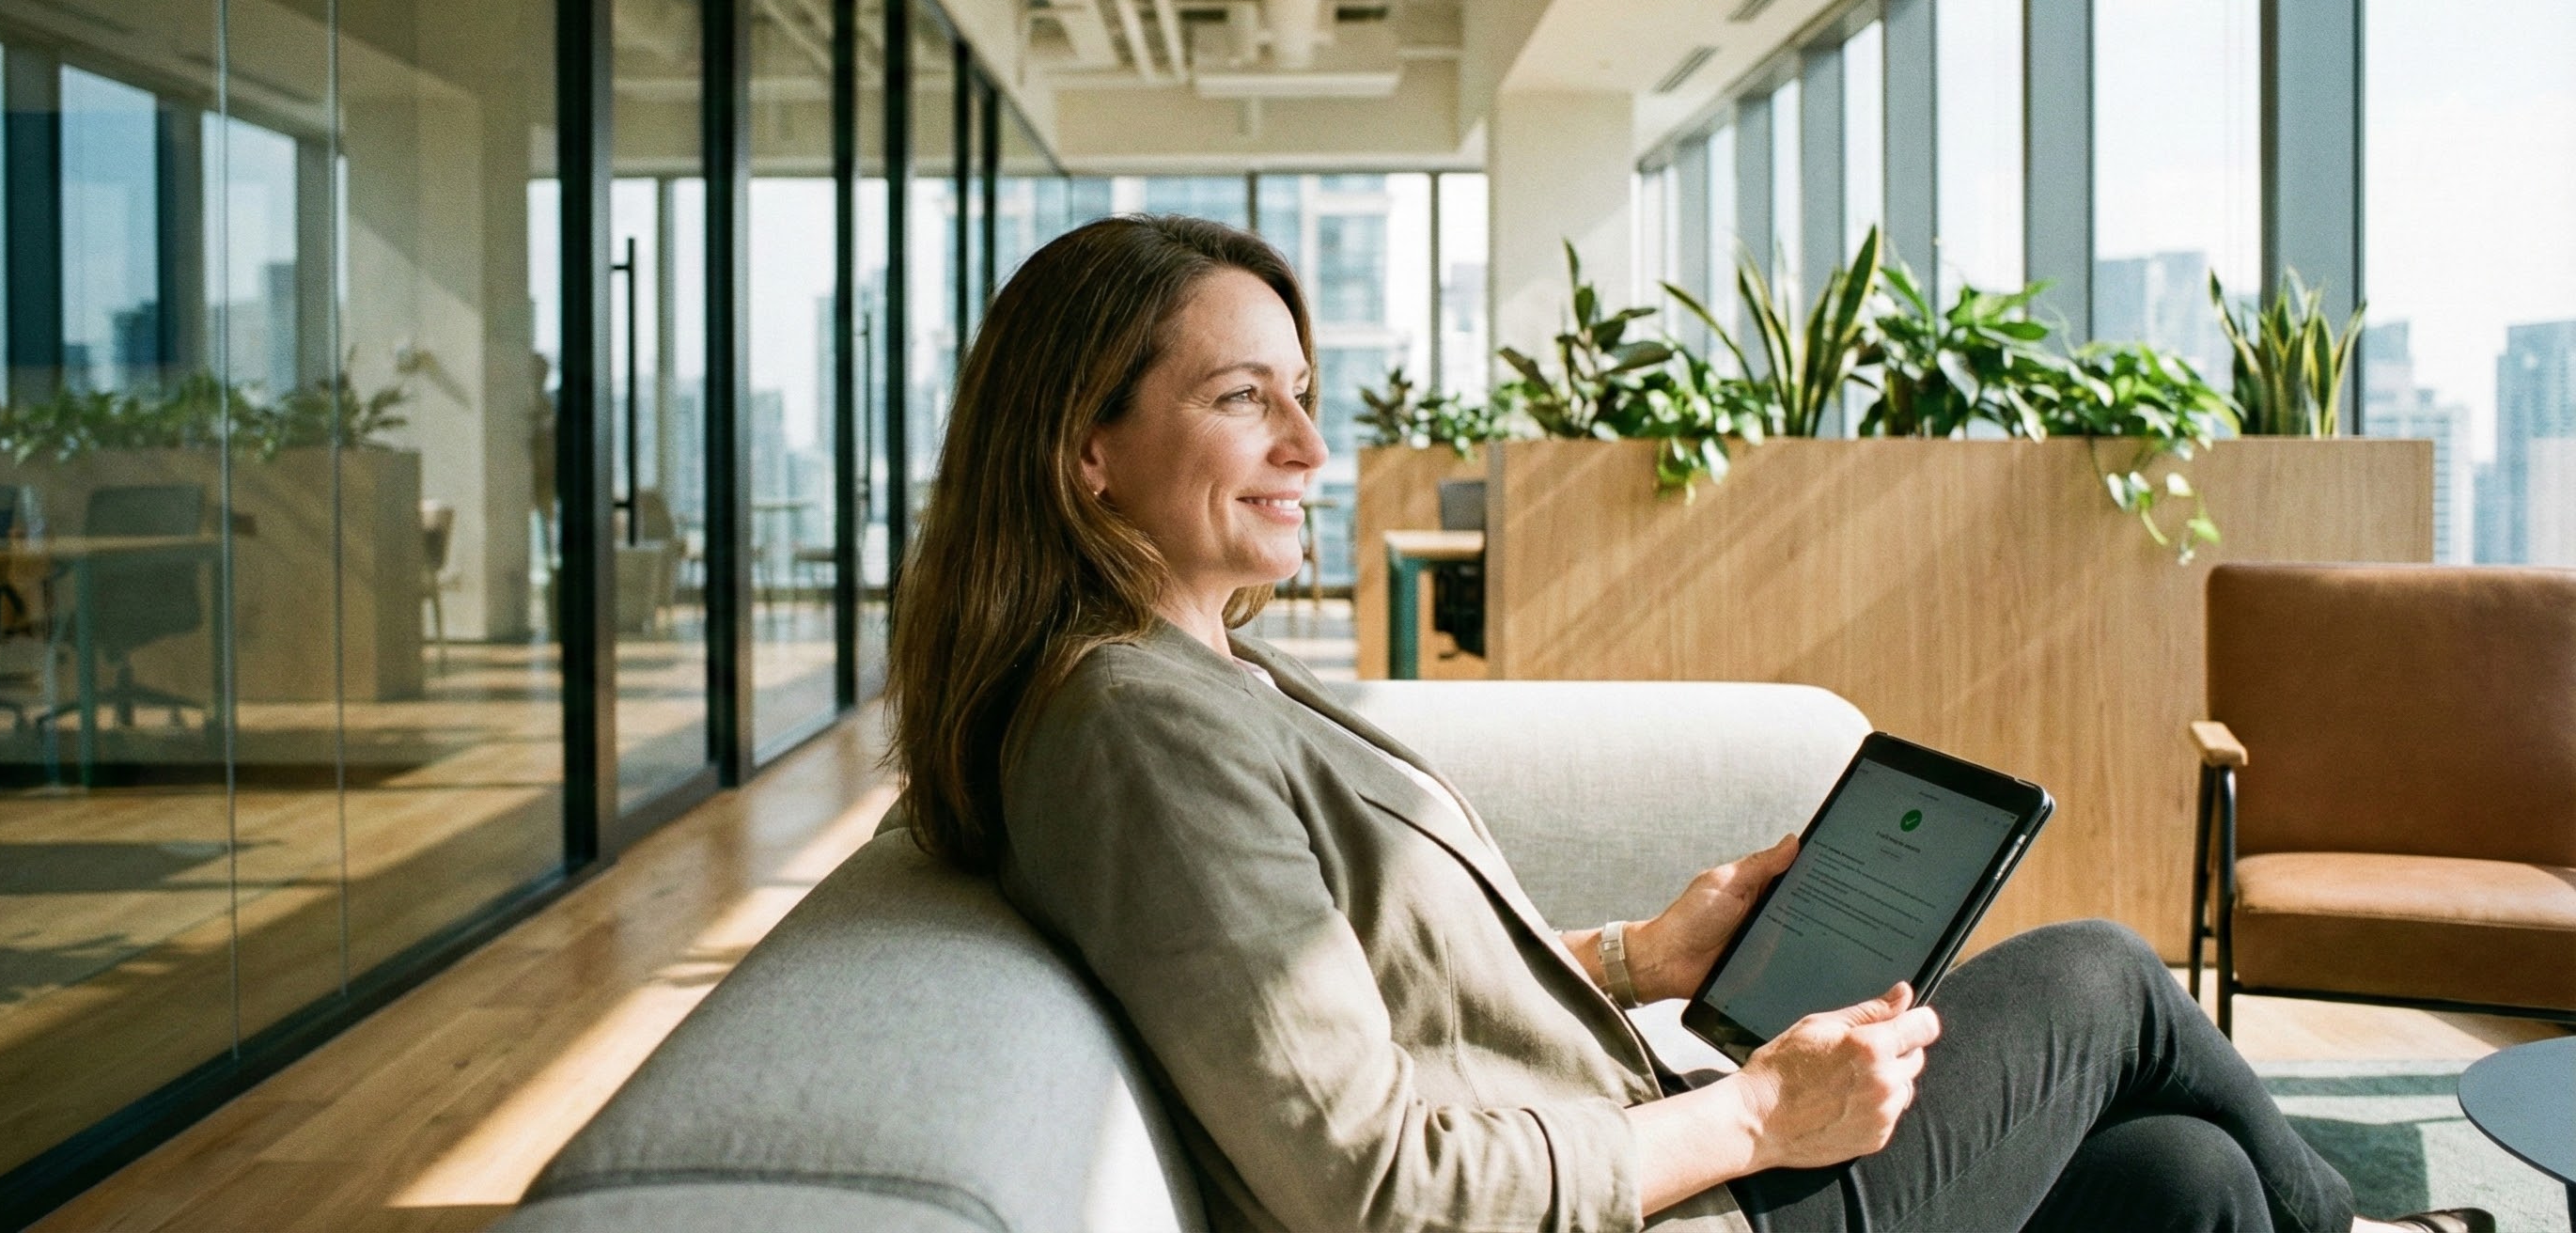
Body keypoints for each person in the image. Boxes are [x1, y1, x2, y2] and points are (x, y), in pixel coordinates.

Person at [887, 214, 2488, 1233]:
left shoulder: (1203, 675)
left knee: (2186, 1186)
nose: (1311, 441)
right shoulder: (1128, 730)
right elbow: (1365, 1182)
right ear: (1084, 450)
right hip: (1650, 1209)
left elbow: (1356, 988)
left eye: (1306, 390)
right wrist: (1758, 1112)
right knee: (2110, 978)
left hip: (1638, 1155)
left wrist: (1644, 958)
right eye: (1245, 398)